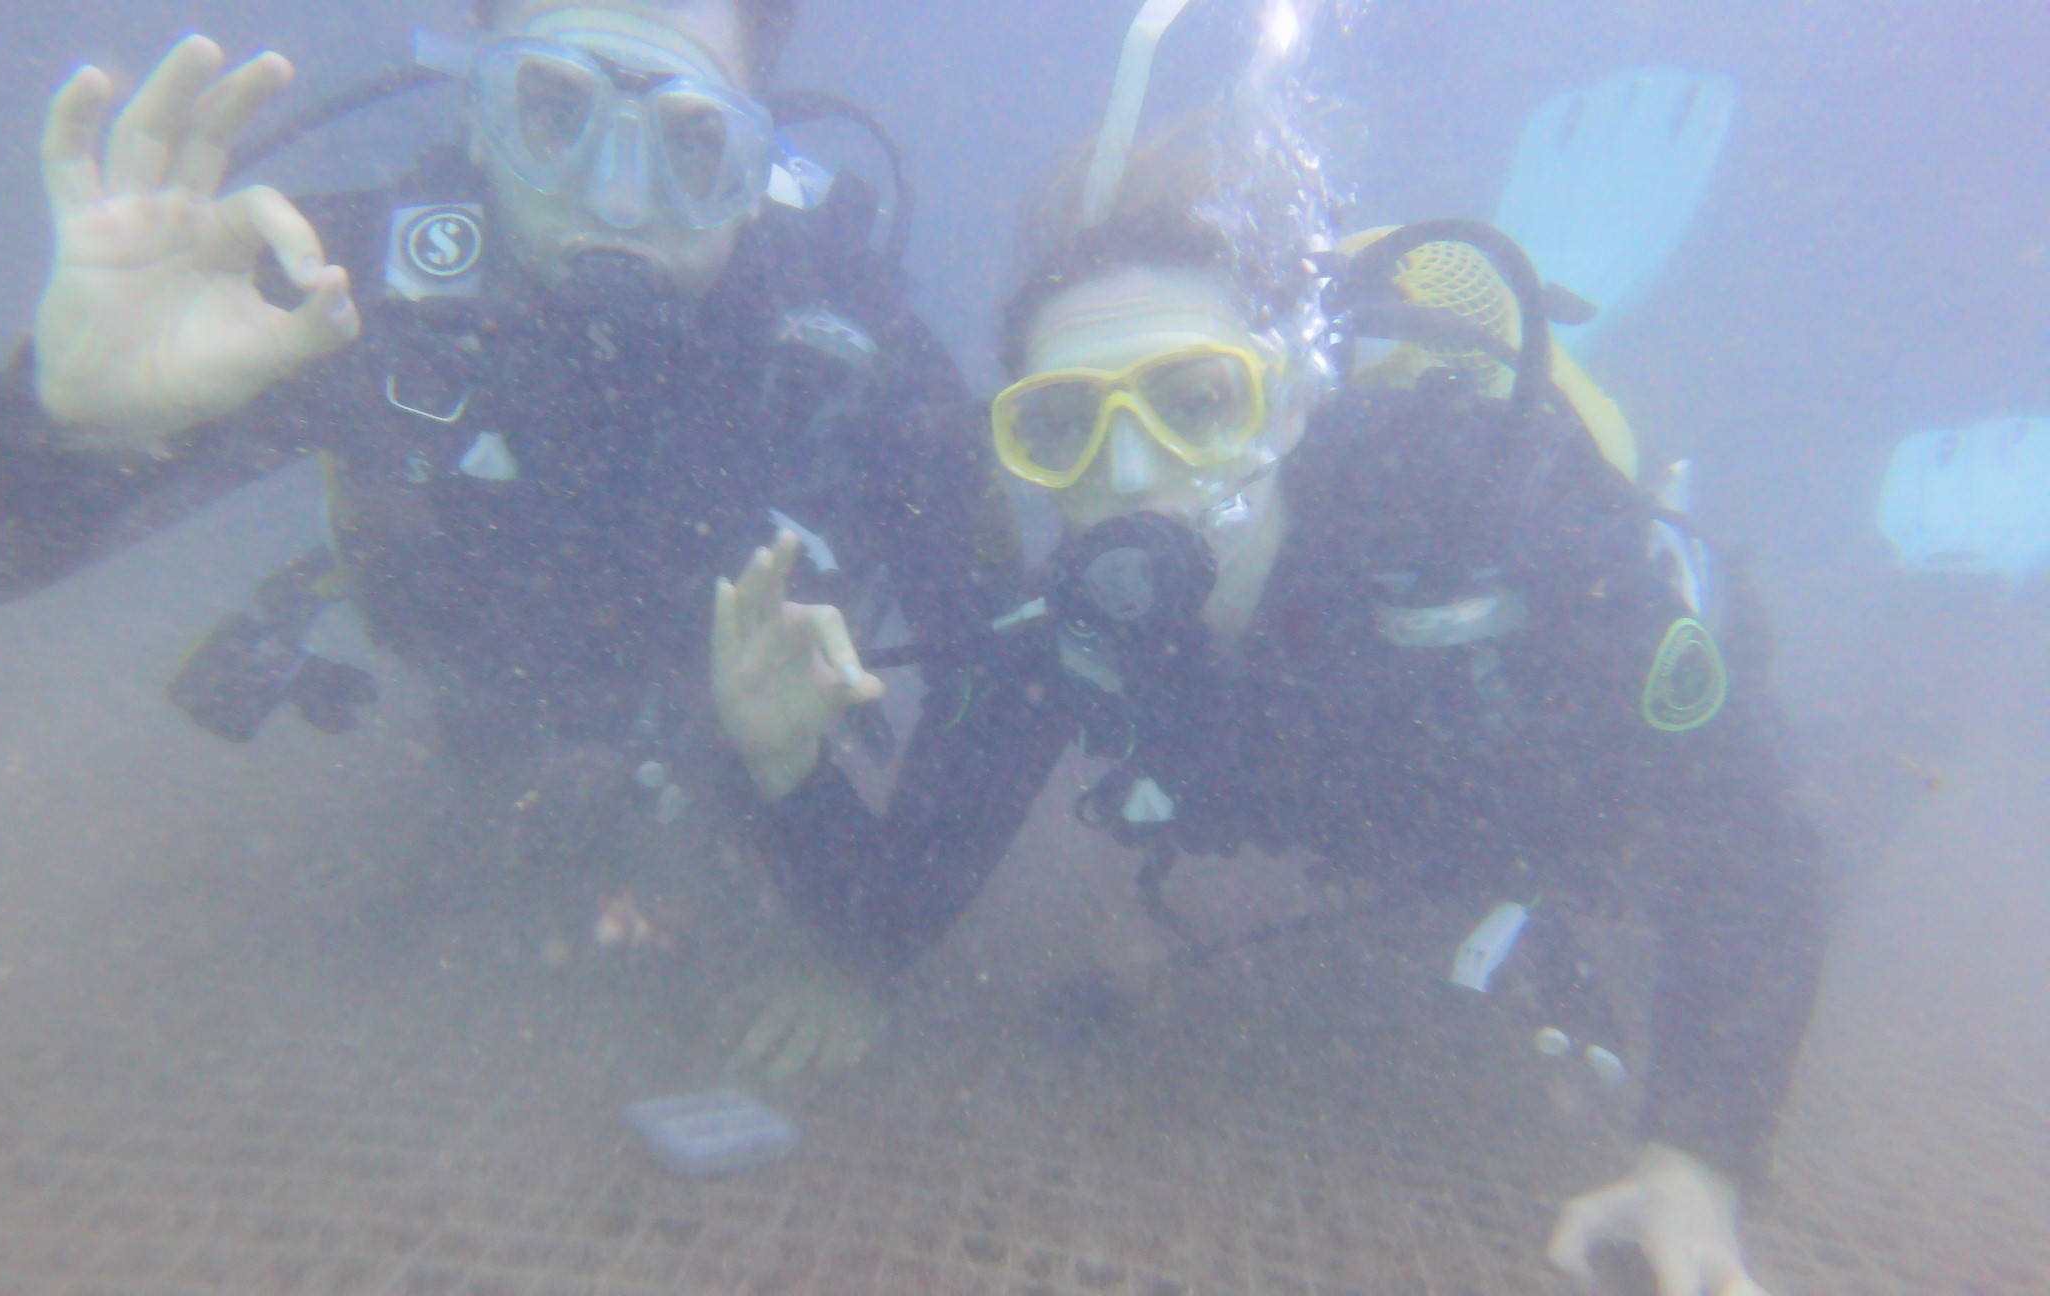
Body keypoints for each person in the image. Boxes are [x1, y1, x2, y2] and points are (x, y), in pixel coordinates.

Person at [712, 113, 1827, 1296]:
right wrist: (784, 769)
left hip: (1548, 804)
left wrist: (1694, 1160)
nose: (1130, 474)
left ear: (1291, 400)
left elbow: (1752, 830)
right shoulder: (1072, 633)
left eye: (1197, 402)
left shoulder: (1486, 516)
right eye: (1064, 425)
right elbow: (892, 911)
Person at [0, 2, 1009, 922]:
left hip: (740, 753)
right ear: (476, 121)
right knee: (481, 777)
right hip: (482, 692)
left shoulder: (857, 354)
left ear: (757, 169)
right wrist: (59, 424)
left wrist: (857, 942)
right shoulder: (340, 296)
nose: (617, 196)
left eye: (693, 140)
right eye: (555, 109)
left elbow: (995, 674)